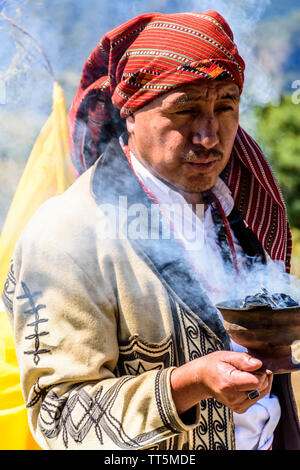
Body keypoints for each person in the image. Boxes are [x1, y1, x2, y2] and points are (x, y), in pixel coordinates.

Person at [3, 10, 300, 450]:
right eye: (185, 110)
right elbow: (59, 416)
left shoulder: (240, 206)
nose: (209, 136)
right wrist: (189, 383)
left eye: (225, 106)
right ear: (132, 115)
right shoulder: (67, 234)